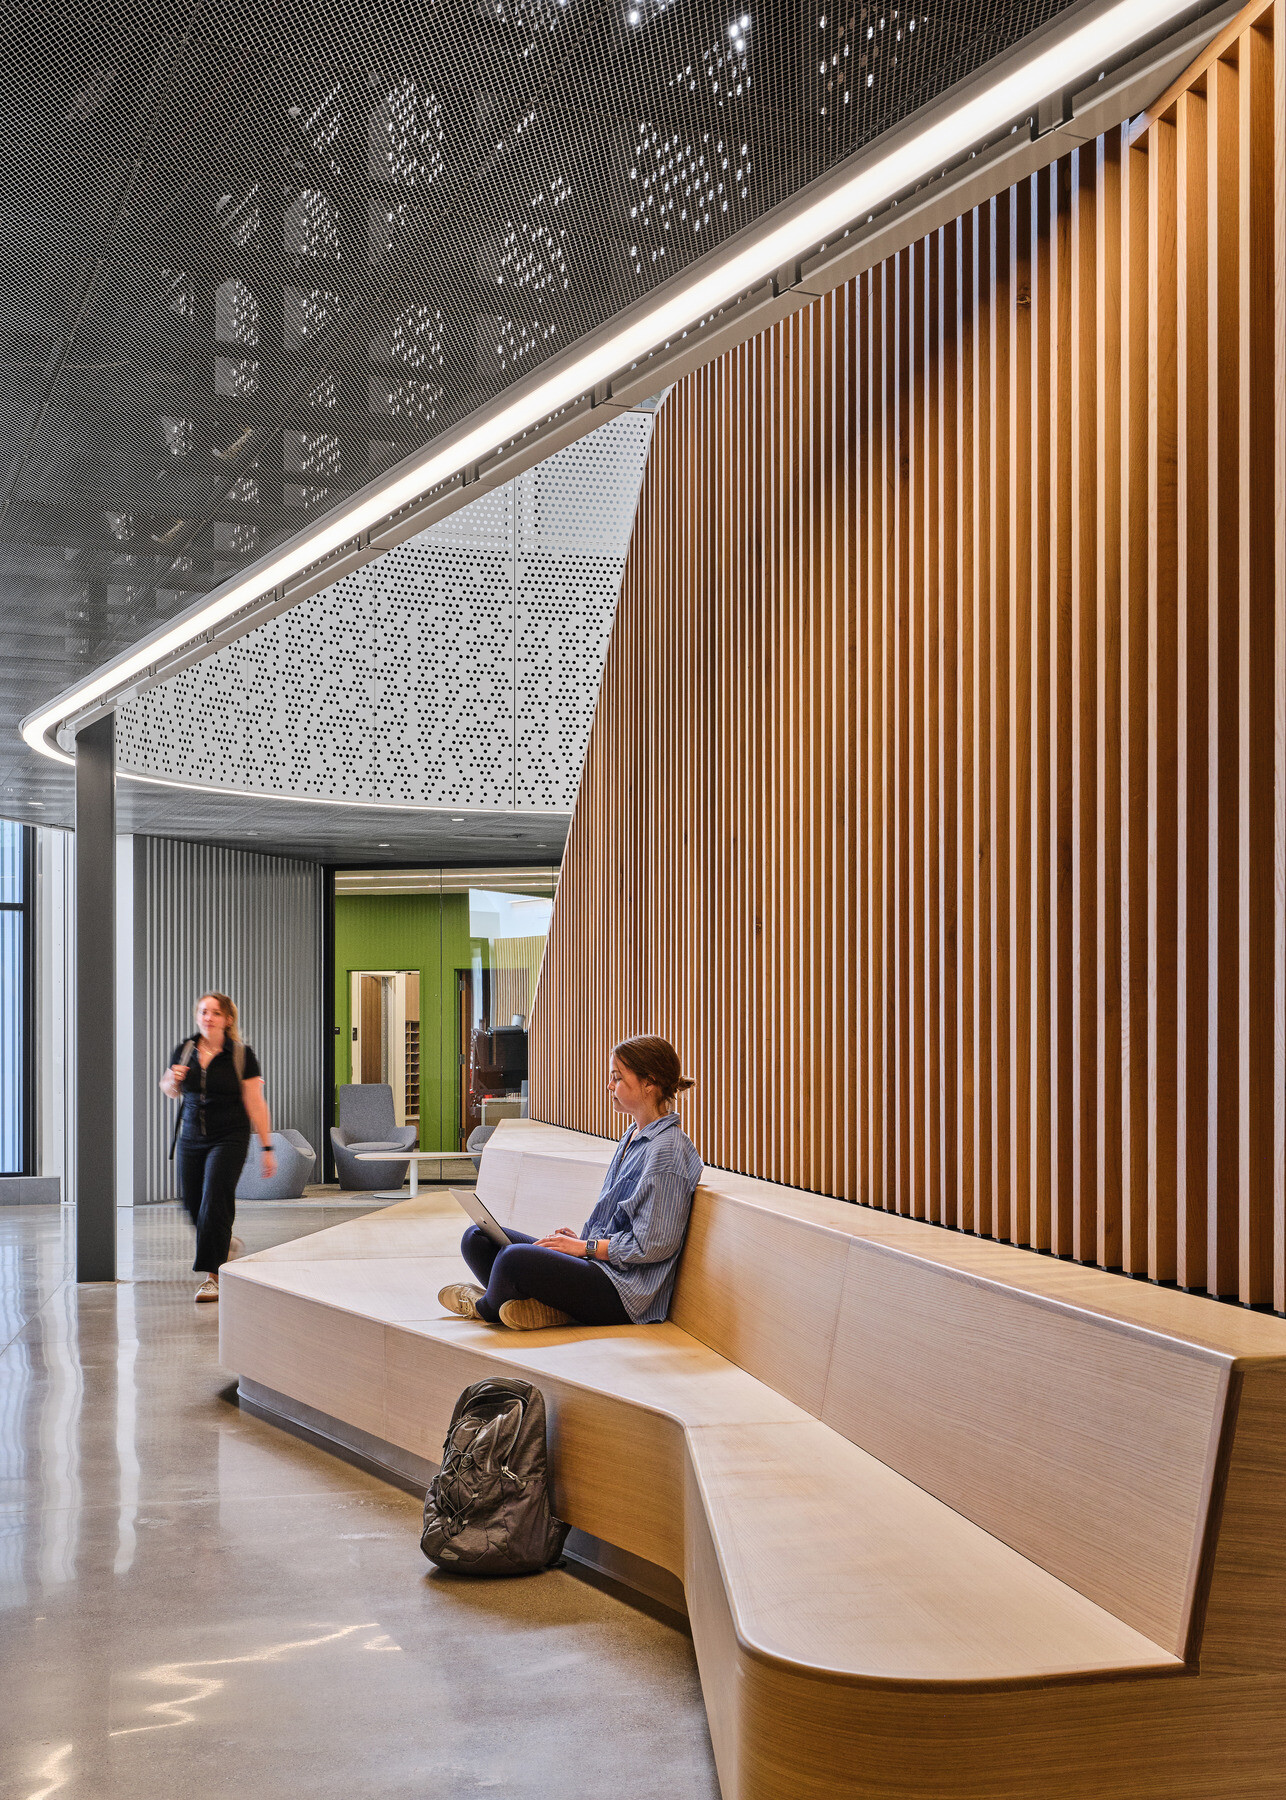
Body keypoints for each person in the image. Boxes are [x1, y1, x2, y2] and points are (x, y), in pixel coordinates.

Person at [438, 1035, 702, 1330]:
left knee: (513, 1259)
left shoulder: (667, 1151)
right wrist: (582, 1241)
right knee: (478, 1237)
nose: (609, 1086)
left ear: (649, 1082)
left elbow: (653, 1245)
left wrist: (584, 1247)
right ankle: (537, 1309)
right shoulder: (633, 1136)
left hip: (624, 1294)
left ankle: (485, 1307)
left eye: (617, 1078)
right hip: (601, 1267)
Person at [160, 992, 275, 1304]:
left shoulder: (240, 1055)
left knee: (215, 1200)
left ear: (228, 1019)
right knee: (191, 1202)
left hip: (229, 1137)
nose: (207, 1017)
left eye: (214, 1013)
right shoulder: (185, 1050)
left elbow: (255, 1102)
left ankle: (214, 1276)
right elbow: (169, 1090)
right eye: (203, 1011)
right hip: (190, 1137)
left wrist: (267, 1146)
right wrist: (173, 1079)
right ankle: (223, 1244)